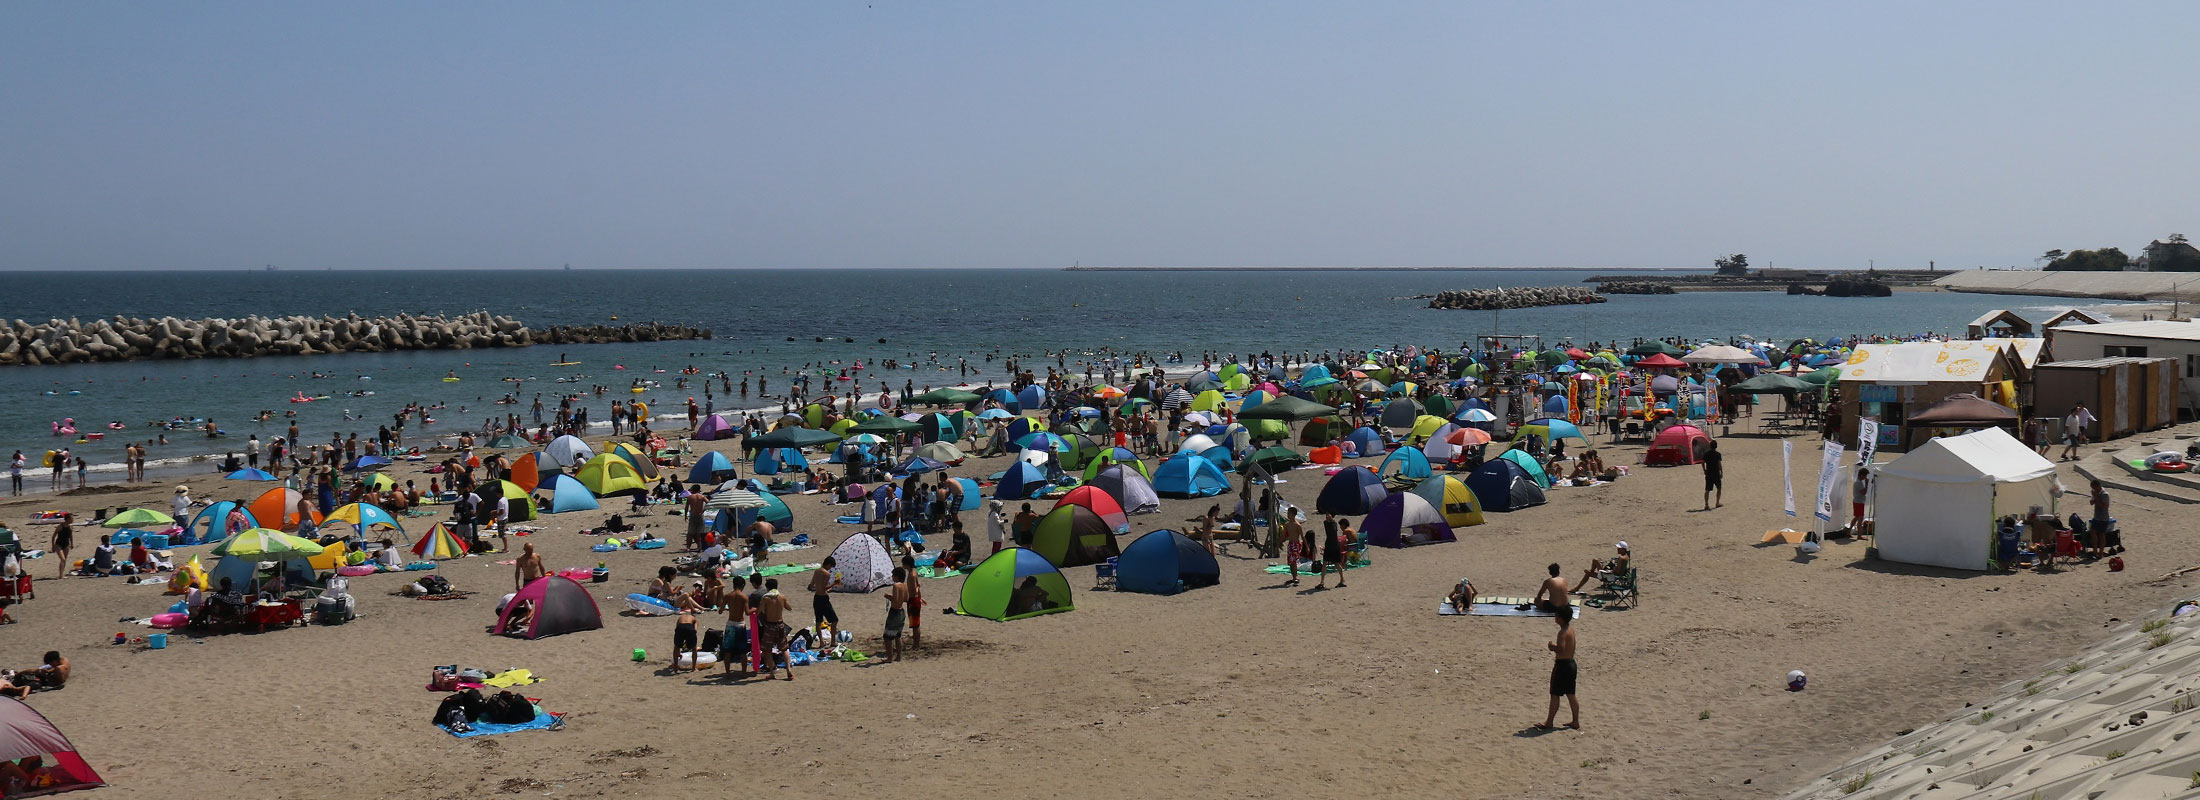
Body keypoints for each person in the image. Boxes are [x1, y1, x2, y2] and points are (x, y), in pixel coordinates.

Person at [1537, 609, 1581, 731]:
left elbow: (1561, 649)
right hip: (1571, 664)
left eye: (1556, 615)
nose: (1555, 617)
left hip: (1562, 665)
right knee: (1571, 694)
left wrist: (1552, 647)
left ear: (1561, 618)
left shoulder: (1562, 633)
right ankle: (1575, 721)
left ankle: (1549, 722)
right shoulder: (1570, 629)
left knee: (1555, 694)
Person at [757, 578, 794, 680]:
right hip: (780, 624)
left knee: (767, 650)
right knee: (784, 648)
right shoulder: (782, 597)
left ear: (767, 587)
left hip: (770, 625)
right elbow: (789, 608)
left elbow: (758, 611)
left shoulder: (766, 598)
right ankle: (788, 670)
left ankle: (772, 673)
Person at [0, 652, 68, 700]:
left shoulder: (59, 669)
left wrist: (23, 696)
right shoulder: (64, 661)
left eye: (50, 663)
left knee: (34, 673)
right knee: (35, 673)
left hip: (43, 680)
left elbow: (27, 686)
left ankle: (16, 673)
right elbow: (27, 687)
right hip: (41, 679)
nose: (50, 665)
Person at [807, 557, 840, 640]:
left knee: (818, 621)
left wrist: (819, 588)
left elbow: (811, 586)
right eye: (830, 566)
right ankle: (833, 641)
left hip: (816, 598)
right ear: (829, 564)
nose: (830, 568)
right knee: (834, 620)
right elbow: (824, 587)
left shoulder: (816, 571)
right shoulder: (826, 574)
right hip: (823, 599)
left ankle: (821, 641)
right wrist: (833, 584)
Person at [883, 566, 910, 663]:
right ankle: (898, 656)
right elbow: (906, 599)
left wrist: (888, 596)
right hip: (901, 611)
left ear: (897, 576)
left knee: (887, 637)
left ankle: (889, 658)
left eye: (893, 575)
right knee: (898, 636)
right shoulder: (905, 586)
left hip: (894, 612)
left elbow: (895, 600)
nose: (892, 577)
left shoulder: (896, 586)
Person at [671, 603, 700, 672]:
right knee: (694, 648)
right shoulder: (694, 619)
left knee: (676, 647)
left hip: (680, 627)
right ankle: (693, 668)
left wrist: (679, 653)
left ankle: (675, 667)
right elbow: (695, 630)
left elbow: (676, 629)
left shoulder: (680, 617)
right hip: (689, 627)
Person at [1701, 439, 1723, 510]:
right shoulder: (1717, 454)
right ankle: (1717, 503)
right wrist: (1721, 472)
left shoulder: (1706, 454)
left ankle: (1706, 504)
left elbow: (1702, 462)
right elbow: (1719, 464)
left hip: (1709, 473)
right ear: (1716, 446)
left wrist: (1704, 470)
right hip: (1716, 473)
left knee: (1707, 489)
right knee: (1719, 488)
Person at [48, 514, 72, 580]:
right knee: (63, 559)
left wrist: (72, 543)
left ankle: (61, 574)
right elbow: (53, 536)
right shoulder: (60, 526)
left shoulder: (70, 526)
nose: (72, 520)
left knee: (64, 560)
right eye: (71, 518)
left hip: (66, 544)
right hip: (58, 544)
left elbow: (70, 536)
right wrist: (53, 546)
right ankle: (61, 576)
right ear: (67, 519)